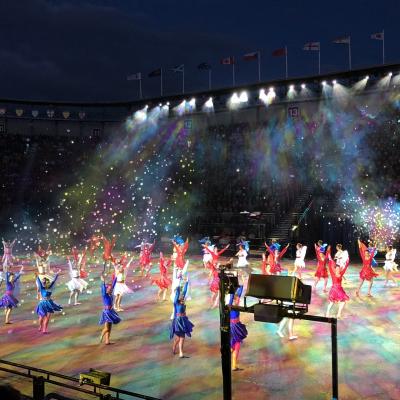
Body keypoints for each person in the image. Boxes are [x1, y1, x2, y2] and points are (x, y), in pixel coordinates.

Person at [170, 279, 194, 358]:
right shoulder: (176, 302)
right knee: (178, 338)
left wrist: (187, 282)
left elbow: (185, 291)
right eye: (181, 296)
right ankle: (174, 346)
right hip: (177, 321)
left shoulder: (182, 300)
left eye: (183, 296)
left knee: (182, 337)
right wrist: (178, 287)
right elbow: (177, 293)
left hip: (183, 321)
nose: (182, 296)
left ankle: (181, 352)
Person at [36, 269, 62, 333]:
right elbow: (39, 281)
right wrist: (37, 276)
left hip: (49, 303)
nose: (44, 283)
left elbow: (54, 280)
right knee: (41, 317)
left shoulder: (50, 287)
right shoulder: (42, 287)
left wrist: (57, 274)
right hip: (42, 303)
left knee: (47, 317)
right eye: (43, 282)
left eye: (46, 282)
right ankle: (40, 326)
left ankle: (44, 329)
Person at [229, 283, 247, 371]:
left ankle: (234, 366)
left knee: (236, 347)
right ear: (234, 300)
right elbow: (232, 295)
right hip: (234, 328)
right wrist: (232, 286)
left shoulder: (235, 304)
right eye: (237, 299)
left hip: (237, 326)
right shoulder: (230, 305)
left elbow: (238, 294)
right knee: (234, 346)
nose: (239, 301)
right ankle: (232, 365)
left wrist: (242, 285)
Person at [326, 254, 349, 319]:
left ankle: (339, 314)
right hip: (334, 289)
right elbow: (330, 265)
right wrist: (330, 258)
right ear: (335, 269)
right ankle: (327, 312)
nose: (338, 270)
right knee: (331, 303)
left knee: (343, 301)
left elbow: (346, 267)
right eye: (337, 269)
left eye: (339, 269)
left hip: (340, 289)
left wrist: (347, 260)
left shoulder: (341, 274)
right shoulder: (333, 273)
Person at [99, 273, 121, 345]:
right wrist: (103, 281)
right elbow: (103, 288)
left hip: (110, 311)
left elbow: (113, 284)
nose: (111, 290)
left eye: (111, 289)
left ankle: (107, 341)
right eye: (110, 289)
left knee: (109, 327)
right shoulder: (105, 295)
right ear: (106, 290)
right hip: (107, 312)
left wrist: (116, 276)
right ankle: (101, 336)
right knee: (107, 328)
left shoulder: (110, 294)